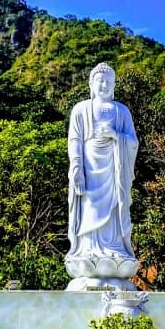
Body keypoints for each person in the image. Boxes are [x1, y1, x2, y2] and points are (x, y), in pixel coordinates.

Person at [65, 63, 139, 282]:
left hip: (114, 169)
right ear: (91, 83)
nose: (104, 85)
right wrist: (77, 168)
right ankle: (87, 248)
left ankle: (115, 248)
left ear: (114, 85)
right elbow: (74, 140)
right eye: (100, 81)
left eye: (109, 81)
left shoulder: (121, 110)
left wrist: (115, 135)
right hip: (89, 168)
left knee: (115, 206)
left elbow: (132, 142)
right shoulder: (81, 109)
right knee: (89, 206)